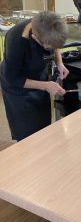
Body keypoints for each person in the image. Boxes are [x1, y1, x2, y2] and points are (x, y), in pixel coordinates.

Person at [0, 11, 69, 141]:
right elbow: (13, 79)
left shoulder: (47, 24)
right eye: (48, 46)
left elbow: (55, 44)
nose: (52, 48)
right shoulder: (17, 42)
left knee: (42, 124)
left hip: (38, 78)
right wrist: (46, 86)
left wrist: (60, 63)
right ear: (36, 38)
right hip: (17, 86)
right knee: (27, 132)